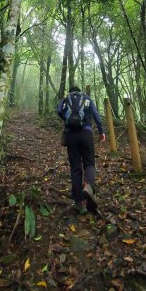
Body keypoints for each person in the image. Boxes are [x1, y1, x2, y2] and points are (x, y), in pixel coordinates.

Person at [57, 85, 105, 214]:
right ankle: (88, 185)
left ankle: (78, 204)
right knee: (89, 163)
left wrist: (63, 101)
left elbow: (59, 111)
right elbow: (96, 115)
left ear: (71, 92)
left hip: (71, 136)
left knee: (75, 168)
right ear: (79, 91)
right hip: (86, 134)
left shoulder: (67, 100)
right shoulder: (86, 98)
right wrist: (101, 132)